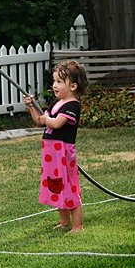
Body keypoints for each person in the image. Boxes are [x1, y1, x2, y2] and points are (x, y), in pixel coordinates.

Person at [23, 60, 88, 233]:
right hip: (51, 152)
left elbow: (56, 123)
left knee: (69, 186)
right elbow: (39, 121)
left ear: (73, 86)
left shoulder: (72, 105)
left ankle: (77, 225)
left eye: (59, 81)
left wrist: (46, 119)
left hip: (63, 152)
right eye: (54, 81)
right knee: (57, 185)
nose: (54, 85)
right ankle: (64, 221)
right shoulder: (55, 104)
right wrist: (31, 107)